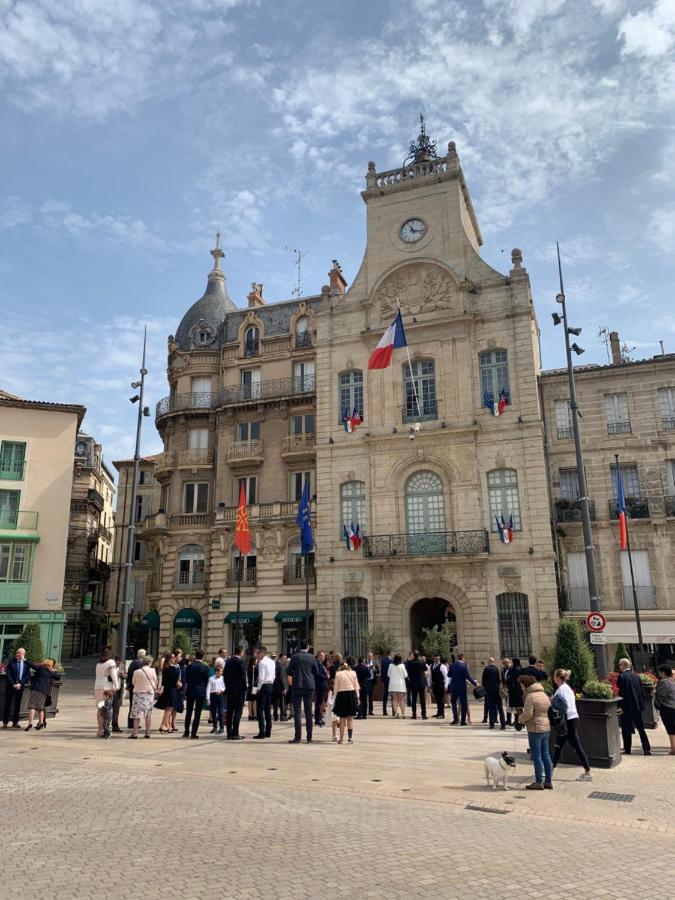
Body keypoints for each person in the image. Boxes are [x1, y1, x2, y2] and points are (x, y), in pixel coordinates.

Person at [551, 668, 592, 780]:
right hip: (572, 718)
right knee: (560, 745)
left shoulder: (561, 689)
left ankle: (587, 771)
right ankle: (551, 770)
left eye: (555, 676)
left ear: (558, 678)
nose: (553, 678)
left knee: (573, 745)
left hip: (567, 719)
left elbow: (562, 705)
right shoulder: (566, 688)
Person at [517, 674, 553, 790]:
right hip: (546, 727)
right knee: (546, 755)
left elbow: (528, 714)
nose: (521, 687)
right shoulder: (543, 694)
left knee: (536, 756)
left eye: (521, 685)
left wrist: (519, 719)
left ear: (525, 684)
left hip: (535, 728)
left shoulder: (530, 696)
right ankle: (548, 781)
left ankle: (538, 782)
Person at [287, 639, 323, 743]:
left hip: (297, 685)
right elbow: (316, 672)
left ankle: (298, 737)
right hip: (309, 686)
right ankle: (309, 737)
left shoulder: (295, 657)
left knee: (297, 712)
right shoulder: (312, 657)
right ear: (307, 647)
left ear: (300, 646)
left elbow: (289, 671)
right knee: (308, 712)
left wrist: (296, 673)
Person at [617, 658, 651, 755]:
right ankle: (646, 748)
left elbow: (622, 693)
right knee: (641, 728)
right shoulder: (636, 676)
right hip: (637, 706)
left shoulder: (622, 677)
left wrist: (620, 707)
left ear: (623, 665)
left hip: (626, 707)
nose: (619, 666)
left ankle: (628, 749)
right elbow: (641, 692)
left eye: (620, 664)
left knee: (626, 728)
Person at [25, 658, 58, 731]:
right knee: (40, 708)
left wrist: (25, 659)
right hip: (44, 691)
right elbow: (57, 677)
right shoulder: (51, 671)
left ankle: (29, 724)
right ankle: (41, 723)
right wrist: (54, 670)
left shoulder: (41, 668)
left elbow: (32, 665)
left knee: (32, 707)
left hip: (36, 689)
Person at [183, 650, 210, 739]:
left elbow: (186, 678)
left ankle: (186, 731)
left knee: (188, 712)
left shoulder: (190, 666)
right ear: (203, 656)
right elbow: (207, 681)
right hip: (200, 692)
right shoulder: (205, 667)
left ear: (196, 656)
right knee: (197, 713)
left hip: (190, 690)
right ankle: (193, 733)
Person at [129, 655, 158, 738]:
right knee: (148, 714)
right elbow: (155, 681)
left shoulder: (137, 672)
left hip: (138, 694)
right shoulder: (152, 671)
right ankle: (147, 732)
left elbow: (133, 682)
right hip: (148, 694)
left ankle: (135, 733)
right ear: (150, 662)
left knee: (136, 715)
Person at [3, 646, 31, 729]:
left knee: (17, 705)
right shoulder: (12, 662)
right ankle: (5, 722)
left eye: (19, 653)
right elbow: (8, 674)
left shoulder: (26, 663)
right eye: (17, 652)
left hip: (20, 687)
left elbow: (27, 675)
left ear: (23, 654)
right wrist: (13, 684)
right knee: (7, 704)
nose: (17, 654)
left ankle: (15, 722)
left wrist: (20, 684)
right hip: (10, 686)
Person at [333, 657, 359, 744]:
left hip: (341, 695)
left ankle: (341, 738)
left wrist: (335, 699)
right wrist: (358, 698)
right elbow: (356, 687)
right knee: (350, 717)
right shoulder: (354, 673)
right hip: (351, 694)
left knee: (342, 718)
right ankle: (350, 738)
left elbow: (335, 688)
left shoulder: (338, 674)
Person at [94, 647, 120, 737]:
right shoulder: (111, 662)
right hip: (107, 688)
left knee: (100, 709)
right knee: (107, 710)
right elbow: (114, 676)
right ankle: (106, 729)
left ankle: (100, 729)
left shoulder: (98, 663)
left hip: (98, 687)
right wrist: (116, 686)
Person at [224, 646, 247, 740]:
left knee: (229, 712)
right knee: (238, 712)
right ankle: (235, 733)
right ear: (241, 652)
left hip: (229, 691)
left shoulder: (228, 662)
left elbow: (225, 675)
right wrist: (244, 688)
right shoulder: (241, 662)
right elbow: (242, 677)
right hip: (239, 691)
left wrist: (227, 686)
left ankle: (229, 733)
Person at [448, 653, 477, 726]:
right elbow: (468, 677)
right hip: (462, 688)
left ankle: (455, 719)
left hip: (454, 687)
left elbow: (449, 675)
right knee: (464, 704)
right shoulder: (464, 666)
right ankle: (463, 721)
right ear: (463, 658)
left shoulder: (452, 665)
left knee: (453, 703)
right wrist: (476, 684)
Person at [253, 646, 275, 740]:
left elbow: (261, 678)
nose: (256, 655)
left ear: (262, 653)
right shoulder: (271, 661)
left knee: (260, 710)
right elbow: (274, 676)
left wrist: (258, 689)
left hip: (263, 686)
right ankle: (268, 732)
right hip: (270, 685)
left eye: (257, 653)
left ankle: (262, 732)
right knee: (267, 710)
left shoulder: (261, 663)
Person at [156, 652, 180, 733]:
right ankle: (163, 725)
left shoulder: (167, 667)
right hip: (171, 689)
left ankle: (166, 725)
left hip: (168, 689)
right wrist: (178, 683)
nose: (175, 658)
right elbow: (174, 679)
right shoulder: (170, 668)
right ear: (169, 659)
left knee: (168, 708)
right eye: (173, 657)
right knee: (169, 708)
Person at [655, 665, 675, 755]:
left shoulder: (663, 682)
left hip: (667, 708)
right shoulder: (673, 682)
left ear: (663, 673)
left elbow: (659, 693)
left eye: (660, 672)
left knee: (671, 729)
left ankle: (673, 749)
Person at [481, 657, 506, 729]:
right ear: (494, 662)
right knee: (500, 708)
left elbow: (483, 681)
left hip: (489, 692)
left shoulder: (486, 669)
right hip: (498, 691)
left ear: (489, 662)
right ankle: (503, 725)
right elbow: (502, 680)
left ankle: (491, 724)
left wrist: (485, 690)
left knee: (491, 708)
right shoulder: (498, 669)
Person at [126, 649, 146, 730]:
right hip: (136, 686)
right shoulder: (139, 663)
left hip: (132, 685)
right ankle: (132, 723)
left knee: (132, 704)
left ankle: (130, 722)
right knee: (135, 705)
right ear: (143, 655)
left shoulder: (133, 662)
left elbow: (129, 674)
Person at [406, 650, 427, 720]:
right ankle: (424, 714)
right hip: (421, 683)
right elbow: (425, 669)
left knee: (414, 700)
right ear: (418, 655)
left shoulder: (410, 663)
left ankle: (414, 714)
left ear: (414, 655)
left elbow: (408, 672)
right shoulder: (422, 662)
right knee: (422, 699)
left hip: (413, 683)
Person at [387, 654, 408, 719]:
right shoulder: (402, 665)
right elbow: (406, 675)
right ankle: (403, 714)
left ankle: (396, 714)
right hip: (400, 685)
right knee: (401, 700)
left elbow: (388, 674)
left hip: (393, 685)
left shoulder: (390, 665)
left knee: (394, 700)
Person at [505, 657, 523, 727]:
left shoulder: (513, 670)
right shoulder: (521, 669)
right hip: (520, 690)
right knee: (519, 707)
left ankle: (517, 721)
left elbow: (509, 679)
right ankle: (519, 721)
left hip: (514, 691)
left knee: (515, 707)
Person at [207, 663, 225, 735]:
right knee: (213, 712)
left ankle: (221, 727)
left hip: (220, 695)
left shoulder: (223, 678)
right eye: (220, 671)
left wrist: (221, 690)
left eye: (221, 671)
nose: (221, 673)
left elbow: (224, 686)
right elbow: (208, 689)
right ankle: (215, 727)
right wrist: (208, 698)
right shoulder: (211, 678)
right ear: (216, 672)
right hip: (213, 695)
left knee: (220, 712)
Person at [314, 651, 329, 727]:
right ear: (319, 656)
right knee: (319, 703)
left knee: (320, 702)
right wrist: (326, 676)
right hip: (320, 685)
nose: (324, 657)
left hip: (321, 685)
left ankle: (319, 717)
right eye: (322, 656)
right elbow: (319, 675)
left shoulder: (320, 664)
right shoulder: (318, 664)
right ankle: (318, 719)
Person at [111, 656, 125, 733]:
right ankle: (105, 726)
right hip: (111, 690)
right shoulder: (111, 667)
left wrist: (122, 676)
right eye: (117, 662)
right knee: (108, 709)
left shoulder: (122, 666)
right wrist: (116, 675)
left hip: (119, 691)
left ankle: (115, 726)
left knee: (116, 709)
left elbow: (125, 676)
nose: (119, 663)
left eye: (120, 662)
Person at [272, 654, 288, 722]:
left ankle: (275, 716)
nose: (285, 659)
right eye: (283, 658)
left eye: (285, 658)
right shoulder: (281, 666)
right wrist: (284, 687)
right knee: (282, 702)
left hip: (275, 687)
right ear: (280, 658)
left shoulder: (276, 664)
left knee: (275, 702)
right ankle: (282, 716)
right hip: (281, 687)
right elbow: (282, 678)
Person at [380, 649, 393, 716]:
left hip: (385, 680)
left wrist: (382, 680)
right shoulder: (391, 661)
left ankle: (384, 710)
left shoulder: (383, 661)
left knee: (385, 695)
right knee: (393, 695)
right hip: (391, 680)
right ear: (390, 654)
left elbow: (382, 671)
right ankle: (394, 711)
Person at [246, 653, 258, 721]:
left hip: (250, 685)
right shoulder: (254, 668)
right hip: (254, 686)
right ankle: (255, 714)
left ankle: (250, 714)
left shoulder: (248, 668)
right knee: (254, 700)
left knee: (250, 701)